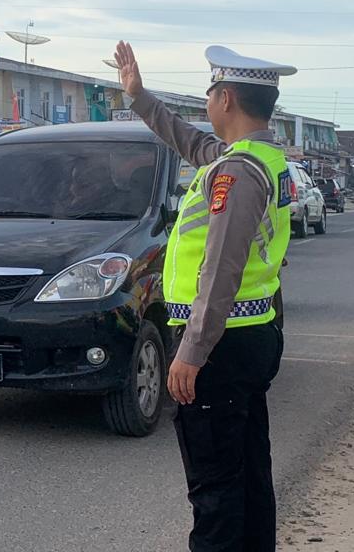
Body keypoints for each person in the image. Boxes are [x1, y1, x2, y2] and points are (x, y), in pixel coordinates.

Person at [115, 41, 293, 551]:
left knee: (214, 490)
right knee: (249, 474)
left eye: (211, 93)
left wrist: (191, 352)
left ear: (228, 99)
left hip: (219, 346)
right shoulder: (260, 158)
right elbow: (190, 142)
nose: (207, 103)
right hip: (250, 334)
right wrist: (139, 97)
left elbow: (220, 271)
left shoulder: (236, 173)